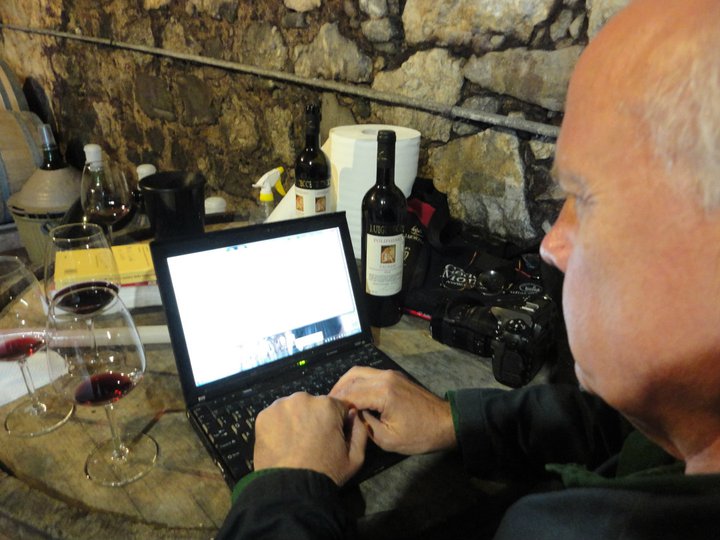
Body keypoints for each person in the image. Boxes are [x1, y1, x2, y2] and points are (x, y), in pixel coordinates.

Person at [217, 0, 720, 537]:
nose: (552, 245)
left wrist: (286, 489)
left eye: (588, 197)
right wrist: (454, 420)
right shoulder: (680, 425)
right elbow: (609, 429)